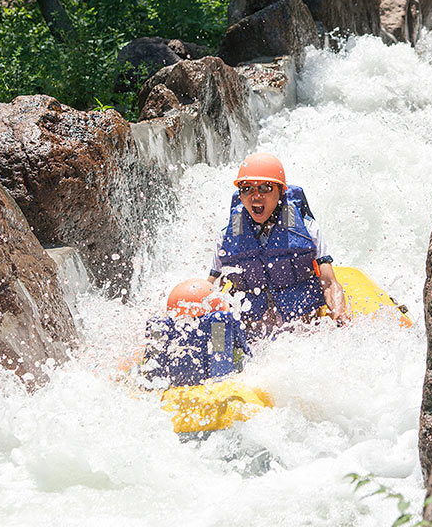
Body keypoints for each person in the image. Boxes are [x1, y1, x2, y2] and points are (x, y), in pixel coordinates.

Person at [207, 152, 350, 338]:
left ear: (281, 191)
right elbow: (211, 292)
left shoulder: (307, 229)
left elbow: (330, 283)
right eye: (247, 189)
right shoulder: (226, 237)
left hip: (301, 332)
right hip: (254, 336)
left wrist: (340, 314)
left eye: (265, 188)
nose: (255, 196)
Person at [141, 278, 251, 387]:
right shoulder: (218, 325)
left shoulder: (163, 328)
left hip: (172, 390)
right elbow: (247, 353)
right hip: (216, 385)